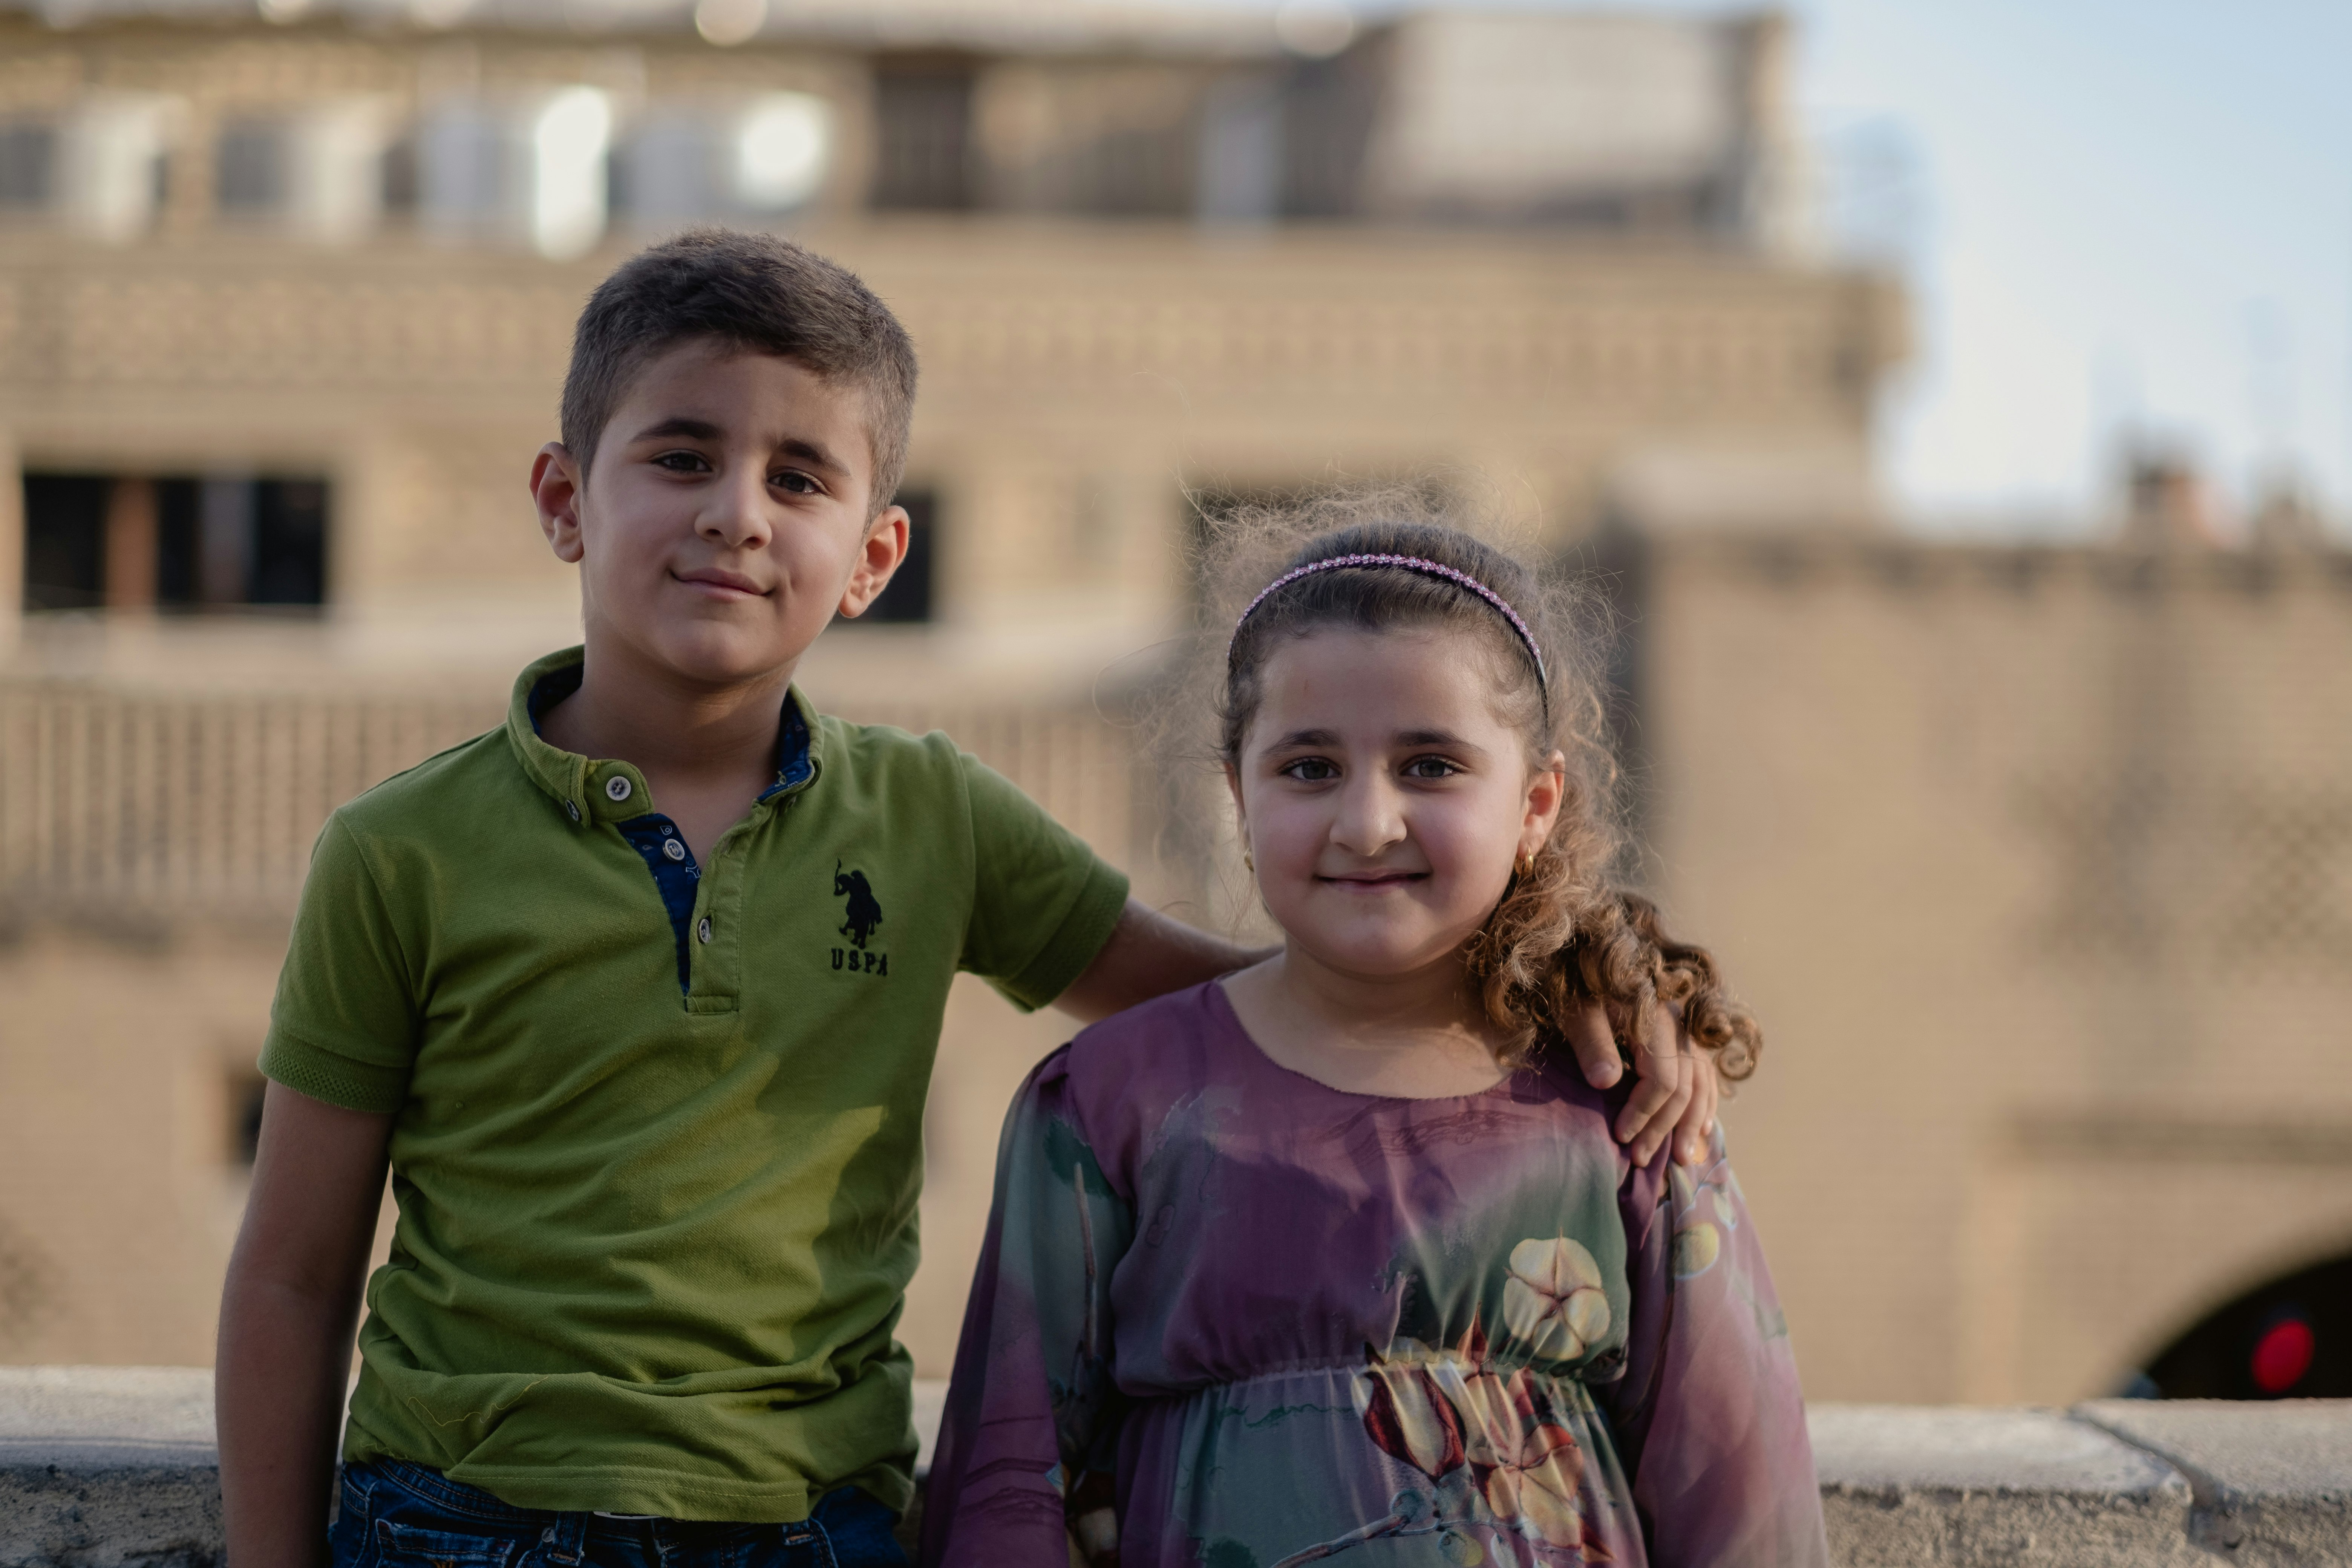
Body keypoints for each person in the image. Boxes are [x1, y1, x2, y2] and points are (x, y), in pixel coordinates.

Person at [213, 233, 1720, 1568]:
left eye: (799, 475)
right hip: (458, 1515)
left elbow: (1241, 1002)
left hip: (816, 1520)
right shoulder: (400, 848)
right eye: (680, 456)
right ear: (563, 498)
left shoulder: (930, 812)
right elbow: (291, 1270)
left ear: (873, 555)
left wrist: (1549, 993)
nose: (739, 513)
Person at [923, 508, 1828, 1566]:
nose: (1366, 823)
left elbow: (1740, 1488)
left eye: (1432, 766)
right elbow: (1003, 1482)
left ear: (1537, 804)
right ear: (1238, 794)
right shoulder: (1108, 1101)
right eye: (1309, 768)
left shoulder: (1623, 1106)